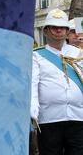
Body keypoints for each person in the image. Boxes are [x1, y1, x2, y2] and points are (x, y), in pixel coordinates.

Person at [32, 9, 83, 154]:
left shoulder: (79, 54)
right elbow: (33, 84)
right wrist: (33, 112)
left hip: (79, 117)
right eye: (54, 27)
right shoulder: (36, 55)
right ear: (46, 31)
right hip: (49, 119)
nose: (58, 30)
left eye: (62, 27)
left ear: (67, 31)